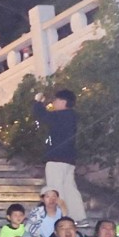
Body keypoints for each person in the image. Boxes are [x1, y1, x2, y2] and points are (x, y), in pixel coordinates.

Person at [39, 90, 82, 221]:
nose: (53, 103)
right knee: (70, 188)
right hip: (68, 159)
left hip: (56, 158)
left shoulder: (61, 115)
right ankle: (79, 217)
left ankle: (61, 218)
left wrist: (37, 102)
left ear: (63, 102)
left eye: (56, 100)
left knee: (55, 189)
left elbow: (41, 115)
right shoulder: (71, 116)